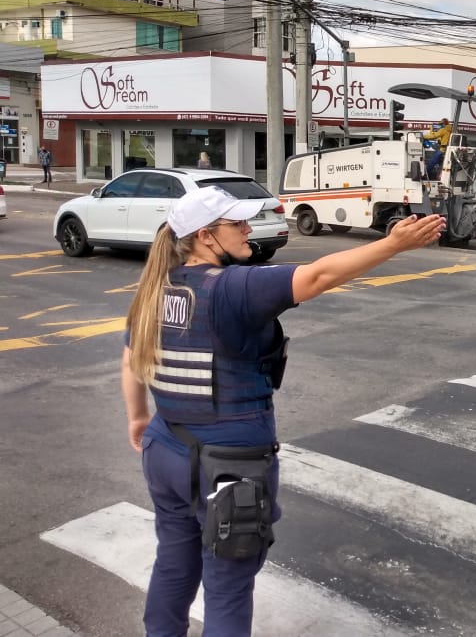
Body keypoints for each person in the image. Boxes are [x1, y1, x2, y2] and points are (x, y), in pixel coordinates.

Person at [120, 186, 444, 636]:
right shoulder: (233, 288)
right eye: (237, 223)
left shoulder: (156, 289)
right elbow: (317, 277)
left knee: (174, 566)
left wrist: (138, 417)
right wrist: (393, 244)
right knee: (228, 588)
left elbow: (131, 360)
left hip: (165, 447)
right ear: (205, 236)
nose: (249, 229)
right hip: (228, 468)